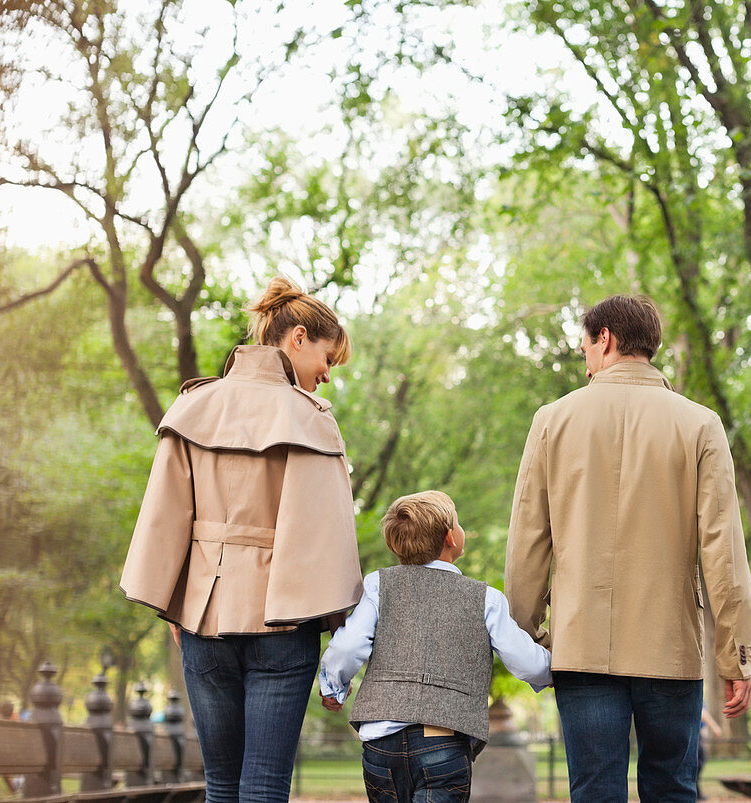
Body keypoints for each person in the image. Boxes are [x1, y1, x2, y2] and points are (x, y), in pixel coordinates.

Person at [120, 276, 363, 803]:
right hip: (283, 623)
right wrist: (336, 625)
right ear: (297, 337)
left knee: (220, 785)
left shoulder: (193, 407)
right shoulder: (312, 420)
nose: (327, 373)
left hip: (203, 620)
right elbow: (325, 537)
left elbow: (164, 520)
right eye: (326, 357)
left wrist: (174, 610)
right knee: (265, 785)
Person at [505, 293, 751, 803]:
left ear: (607, 339)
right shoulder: (700, 424)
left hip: (582, 646)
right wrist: (737, 656)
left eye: (585, 349)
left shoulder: (552, 420)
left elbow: (529, 543)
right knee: (672, 790)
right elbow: (724, 553)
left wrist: (523, 634)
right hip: (669, 647)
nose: (586, 362)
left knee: (594, 792)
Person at [319, 490, 552, 803]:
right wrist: (553, 672)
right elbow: (528, 663)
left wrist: (333, 688)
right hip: (442, 740)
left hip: (380, 743)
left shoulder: (378, 585)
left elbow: (347, 647)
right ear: (450, 538)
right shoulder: (484, 598)